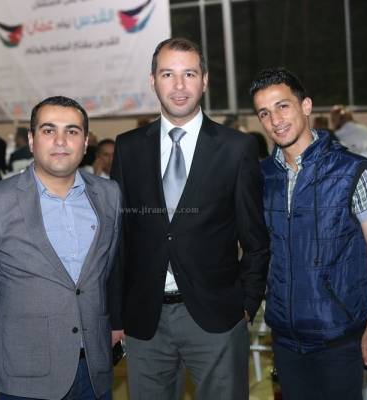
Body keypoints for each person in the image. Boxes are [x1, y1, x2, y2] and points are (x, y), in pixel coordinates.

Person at [109, 38, 270, 400]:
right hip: (145, 320)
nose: (179, 86)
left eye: (189, 74)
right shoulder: (128, 147)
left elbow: (256, 240)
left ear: (205, 81)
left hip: (217, 318)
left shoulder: (237, 148)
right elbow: (120, 239)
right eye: (168, 74)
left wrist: (246, 305)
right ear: (153, 81)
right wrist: (116, 315)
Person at [0, 96, 121, 400]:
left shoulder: (109, 195)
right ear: (32, 140)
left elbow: (110, 269)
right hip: (25, 368)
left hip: (94, 366)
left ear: (86, 142)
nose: (61, 141)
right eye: (49, 130)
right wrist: (19, 316)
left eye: (72, 131)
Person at [250, 67, 367, 400]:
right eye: (264, 113)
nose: (275, 120)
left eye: (282, 106)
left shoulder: (354, 171)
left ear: (306, 106)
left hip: (339, 335)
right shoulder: (261, 177)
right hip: (285, 336)